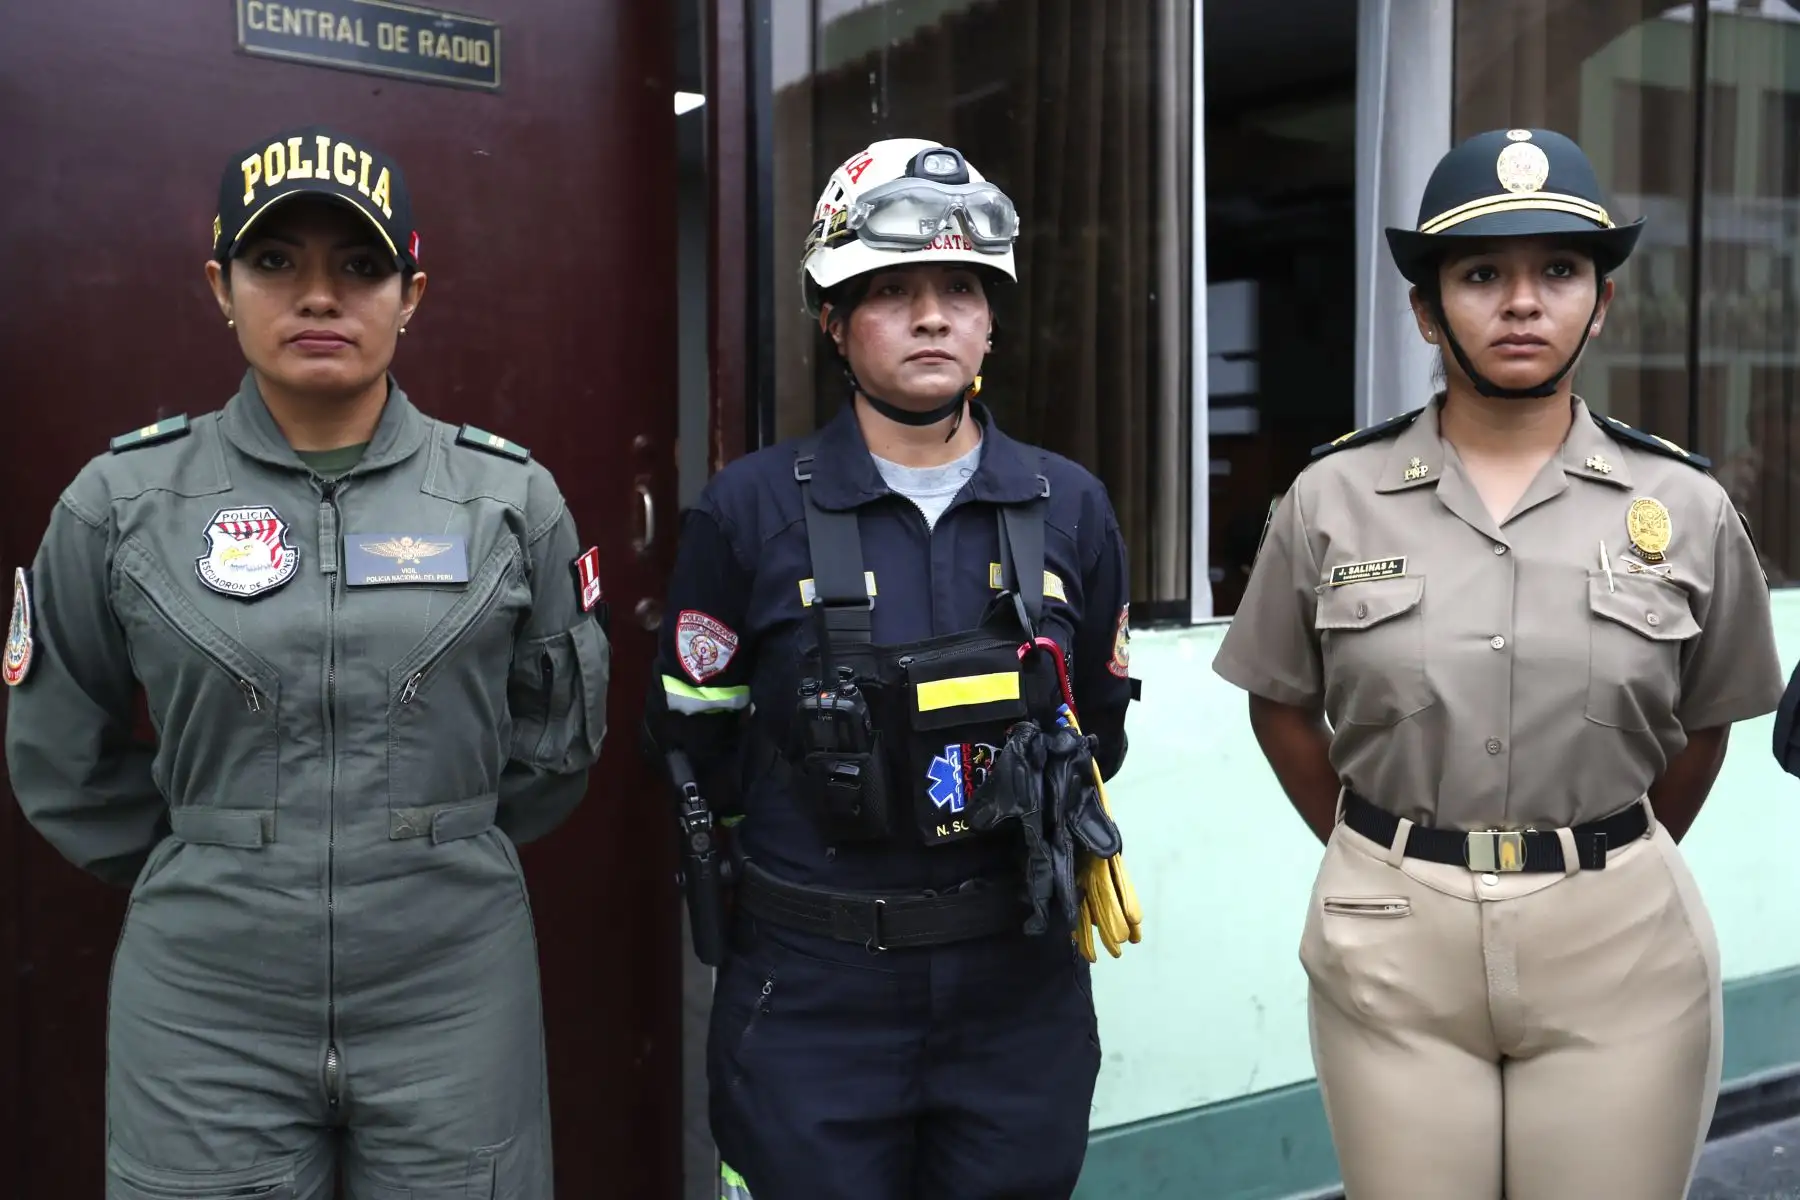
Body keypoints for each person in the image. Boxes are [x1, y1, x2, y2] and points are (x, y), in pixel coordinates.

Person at [3, 126, 609, 1199]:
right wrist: (218, 867)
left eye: (361, 267)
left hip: (452, 988)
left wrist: (424, 845)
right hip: (206, 999)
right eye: (276, 262)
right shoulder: (121, 504)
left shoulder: (510, 501)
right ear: (219, 286)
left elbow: (553, 748)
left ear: (411, 294)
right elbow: (60, 747)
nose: (319, 296)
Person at [1212, 127, 1784, 1200]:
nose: (1522, 303)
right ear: (1429, 310)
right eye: (1481, 274)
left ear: (1601, 303)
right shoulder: (1332, 498)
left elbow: (1707, 724)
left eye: (1559, 271)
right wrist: (1390, 851)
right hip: (1394, 940)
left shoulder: (1688, 510)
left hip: (1618, 941)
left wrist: (1596, 854)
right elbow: (1282, 706)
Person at [644, 137, 1141, 1200]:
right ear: (832, 319)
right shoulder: (749, 514)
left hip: (1016, 987)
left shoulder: (1072, 507)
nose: (932, 317)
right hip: (813, 990)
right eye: (893, 291)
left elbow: (1099, 728)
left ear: (992, 316)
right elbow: (696, 745)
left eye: (961, 289)